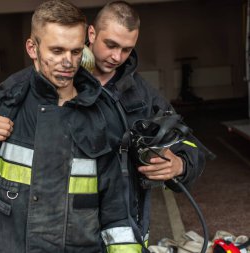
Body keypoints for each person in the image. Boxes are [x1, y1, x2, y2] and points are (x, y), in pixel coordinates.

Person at [0, 1, 134, 252]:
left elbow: (115, 209)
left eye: (75, 51)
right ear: (32, 48)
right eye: (57, 51)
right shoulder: (6, 104)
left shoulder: (100, 112)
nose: (68, 62)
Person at [86, 0, 206, 250]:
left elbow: (187, 143)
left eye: (127, 49)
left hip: (126, 228)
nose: (116, 57)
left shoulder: (142, 96)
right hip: (67, 228)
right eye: (110, 45)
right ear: (91, 33)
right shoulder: (58, 81)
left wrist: (180, 164)